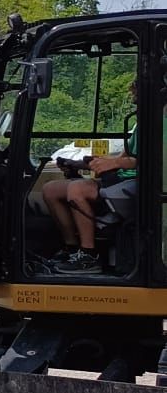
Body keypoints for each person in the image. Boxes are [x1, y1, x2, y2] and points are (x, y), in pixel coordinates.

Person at [40, 84, 138, 272]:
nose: (131, 92)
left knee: (77, 190)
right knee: (50, 190)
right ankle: (71, 248)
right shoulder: (140, 124)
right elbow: (124, 157)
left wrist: (116, 164)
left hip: (137, 182)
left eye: (136, 89)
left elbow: (154, 160)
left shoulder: (160, 122)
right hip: (120, 178)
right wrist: (81, 164)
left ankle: (89, 256)